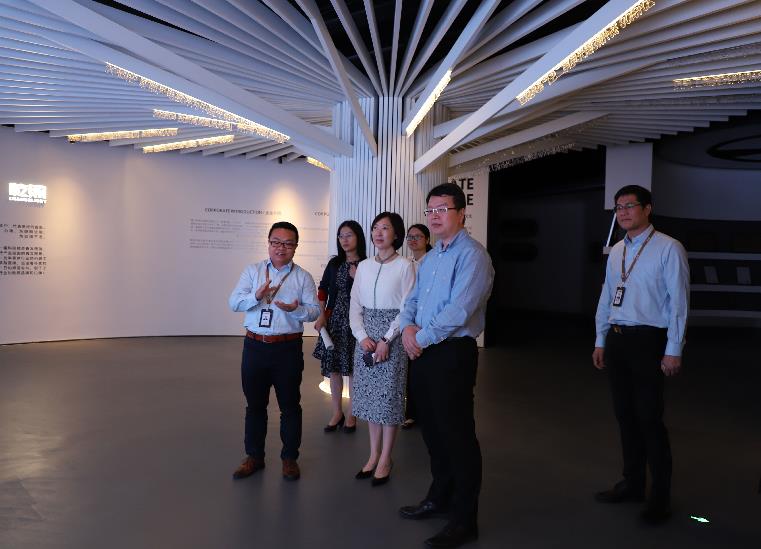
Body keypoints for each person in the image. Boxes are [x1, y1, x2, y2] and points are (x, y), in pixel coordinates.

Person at [399, 183, 494, 549]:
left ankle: (465, 520)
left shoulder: (473, 256)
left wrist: (417, 338)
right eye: (430, 210)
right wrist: (408, 328)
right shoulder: (431, 258)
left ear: (461, 213)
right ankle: (439, 497)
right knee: (432, 432)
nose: (435, 216)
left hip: (452, 353)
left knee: (457, 436)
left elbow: (459, 311)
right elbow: (412, 300)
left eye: (442, 209)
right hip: (423, 352)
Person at [593, 184, 689, 524]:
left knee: (649, 418)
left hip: (649, 341)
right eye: (618, 207)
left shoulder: (668, 248)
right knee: (625, 416)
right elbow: (607, 295)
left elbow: (679, 303)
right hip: (618, 340)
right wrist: (600, 339)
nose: (623, 212)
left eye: (629, 206)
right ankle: (632, 484)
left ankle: (659, 497)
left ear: (647, 209)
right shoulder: (617, 250)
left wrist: (673, 349)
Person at [228, 221, 320, 481]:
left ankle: (289, 458)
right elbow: (234, 302)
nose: (281, 248)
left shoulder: (303, 277)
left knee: (290, 406)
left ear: (295, 247)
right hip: (255, 347)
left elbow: (314, 311)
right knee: (255, 405)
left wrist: (296, 310)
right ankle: (254, 457)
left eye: (288, 243)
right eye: (276, 242)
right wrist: (256, 296)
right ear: (268, 243)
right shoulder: (253, 271)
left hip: (287, 348)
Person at [350, 212, 416, 486]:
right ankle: (373, 454)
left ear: (396, 234)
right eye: (375, 228)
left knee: (388, 400)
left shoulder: (406, 266)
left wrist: (386, 340)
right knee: (369, 400)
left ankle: (386, 458)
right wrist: (362, 336)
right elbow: (355, 304)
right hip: (365, 339)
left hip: (393, 338)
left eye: (385, 228)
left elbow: (407, 308)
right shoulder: (364, 266)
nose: (378, 233)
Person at [313, 220, 367, 433]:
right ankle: (337, 412)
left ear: (358, 237)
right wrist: (321, 315)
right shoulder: (334, 264)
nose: (344, 240)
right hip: (334, 320)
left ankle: (352, 414)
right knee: (334, 369)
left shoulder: (367, 264)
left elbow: (370, 295)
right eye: (341, 236)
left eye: (349, 235)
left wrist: (357, 278)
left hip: (358, 323)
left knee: (353, 370)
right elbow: (323, 290)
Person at [401, 223, 432, 430]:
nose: (413, 240)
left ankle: (426, 412)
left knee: (426, 371)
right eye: (410, 237)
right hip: (408, 322)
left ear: (427, 240)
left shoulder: (433, 262)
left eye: (417, 236)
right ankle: (411, 412)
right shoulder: (407, 263)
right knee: (410, 371)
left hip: (428, 324)